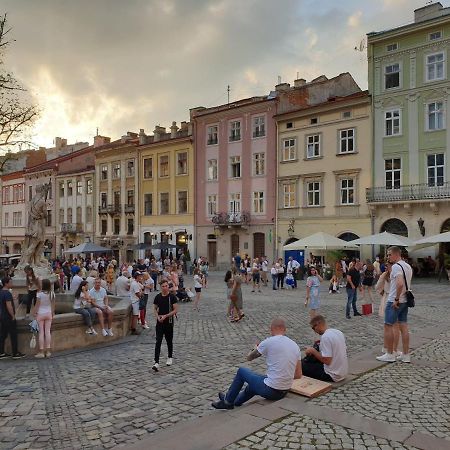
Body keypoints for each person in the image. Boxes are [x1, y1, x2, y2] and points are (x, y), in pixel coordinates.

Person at [211, 318, 302, 409]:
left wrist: (255, 348)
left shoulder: (269, 341)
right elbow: (298, 374)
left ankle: (227, 402)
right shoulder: (295, 346)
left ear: (271, 328)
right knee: (253, 386)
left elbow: (249, 358)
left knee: (242, 371)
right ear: (285, 329)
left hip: (271, 390)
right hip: (284, 391)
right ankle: (234, 401)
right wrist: (283, 377)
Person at [376, 246, 413, 363]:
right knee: (404, 326)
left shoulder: (396, 267)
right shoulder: (407, 266)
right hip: (405, 300)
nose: (388, 257)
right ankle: (406, 355)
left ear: (396, 254)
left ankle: (390, 354)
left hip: (394, 301)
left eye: (389, 254)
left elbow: (400, 283)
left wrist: (396, 299)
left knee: (388, 326)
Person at [301, 315, 348, 382]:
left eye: (313, 328)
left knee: (301, 365)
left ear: (318, 325)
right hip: (342, 372)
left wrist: (313, 351)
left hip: (332, 375)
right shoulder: (338, 332)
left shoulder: (325, 337)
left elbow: (327, 361)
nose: (314, 331)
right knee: (311, 362)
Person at [152, 279, 179, 371]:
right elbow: (155, 309)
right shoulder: (157, 297)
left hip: (169, 322)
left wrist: (166, 316)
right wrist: (158, 317)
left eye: (166, 286)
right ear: (161, 287)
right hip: (160, 323)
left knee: (169, 341)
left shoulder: (172, 297)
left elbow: (175, 310)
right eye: (163, 286)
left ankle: (170, 357)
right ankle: (156, 362)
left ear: (168, 286)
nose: (165, 288)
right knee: (158, 341)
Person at [0, 277, 25, 359]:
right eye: (10, 282)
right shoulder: (7, 293)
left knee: (3, 335)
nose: (12, 283)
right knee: (13, 335)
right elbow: (9, 306)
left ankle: (1, 352)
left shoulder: (1, 292)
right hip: (8, 317)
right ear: (6, 283)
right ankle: (15, 353)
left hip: (2, 316)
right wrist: (13, 316)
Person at [34, 279, 55, 358]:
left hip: (40, 313)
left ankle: (41, 352)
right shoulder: (52, 293)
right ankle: (48, 351)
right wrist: (52, 313)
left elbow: (37, 305)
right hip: (48, 313)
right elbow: (53, 305)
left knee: (41, 333)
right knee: (47, 332)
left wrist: (34, 313)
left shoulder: (39, 294)